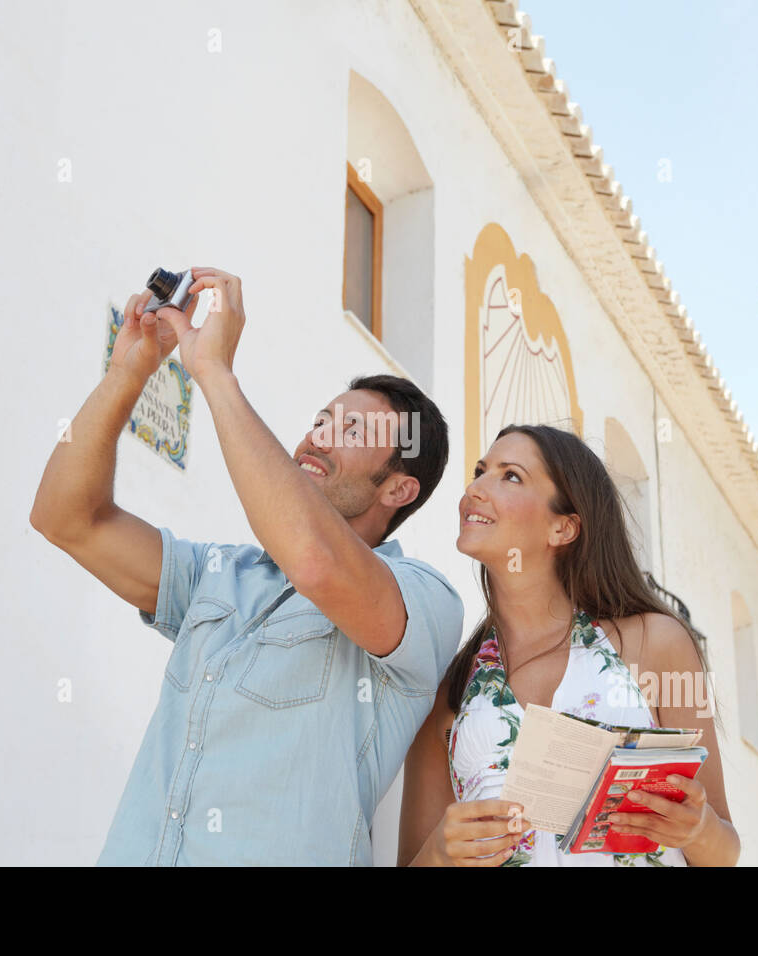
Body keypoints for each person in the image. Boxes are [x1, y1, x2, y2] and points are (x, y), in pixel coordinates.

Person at [29, 266, 463, 865]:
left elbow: (317, 562)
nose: (317, 437)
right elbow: (65, 518)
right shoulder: (219, 574)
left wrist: (213, 370)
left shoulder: (427, 600)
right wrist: (128, 374)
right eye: (321, 420)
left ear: (399, 490)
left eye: (351, 428)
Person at [397, 424, 740, 866]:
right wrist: (440, 854)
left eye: (510, 476)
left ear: (563, 527)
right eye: (480, 471)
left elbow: (724, 852)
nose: (475, 487)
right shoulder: (453, 691)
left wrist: (697, 827)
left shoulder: (658, 643)